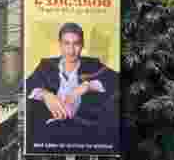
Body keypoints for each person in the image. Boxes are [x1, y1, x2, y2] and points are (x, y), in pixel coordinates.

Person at [25, 23, 120, 151]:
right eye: (66, 43)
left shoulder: (93, 64)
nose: (71, 50)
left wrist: (87, 86)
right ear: (60, 44)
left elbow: (115, 79)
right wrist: (45, 95)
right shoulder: (46, 65)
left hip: (86, 136)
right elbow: (28, 85)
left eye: (76, 44)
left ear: (82, 45)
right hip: (49, 138)